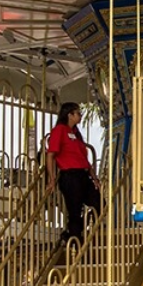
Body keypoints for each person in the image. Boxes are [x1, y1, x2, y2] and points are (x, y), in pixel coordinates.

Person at [46, 102, 101, 243]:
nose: (80, 116)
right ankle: (75, 240)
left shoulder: (76, 134)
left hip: (83, 174)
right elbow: (51, 154)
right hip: (70, 174)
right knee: (75, 209)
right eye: (77, 113)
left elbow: (84, 158)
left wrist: (94, 177)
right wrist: (52, 178)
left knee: (99, 203)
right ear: (69, 115)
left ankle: (77, 230)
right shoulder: (59, 130)